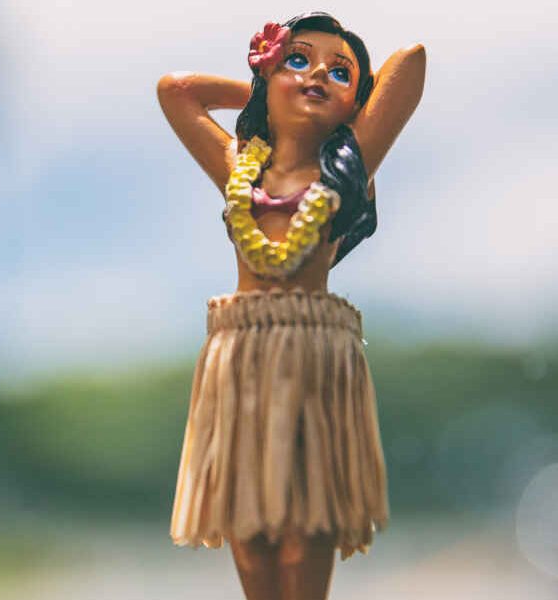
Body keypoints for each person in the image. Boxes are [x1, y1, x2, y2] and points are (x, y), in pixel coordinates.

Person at [155, 11, 426, 600]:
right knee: (250, 532)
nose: (317, 76)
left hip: (313, 350)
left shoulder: (347, 165)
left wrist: (345, 105)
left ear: (357, 101)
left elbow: (413, 62)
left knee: (306, 529)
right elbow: (176, 91)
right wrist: (262, 88)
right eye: (298, 59)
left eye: (340, 71)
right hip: (243, 350)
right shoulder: (238, 167)